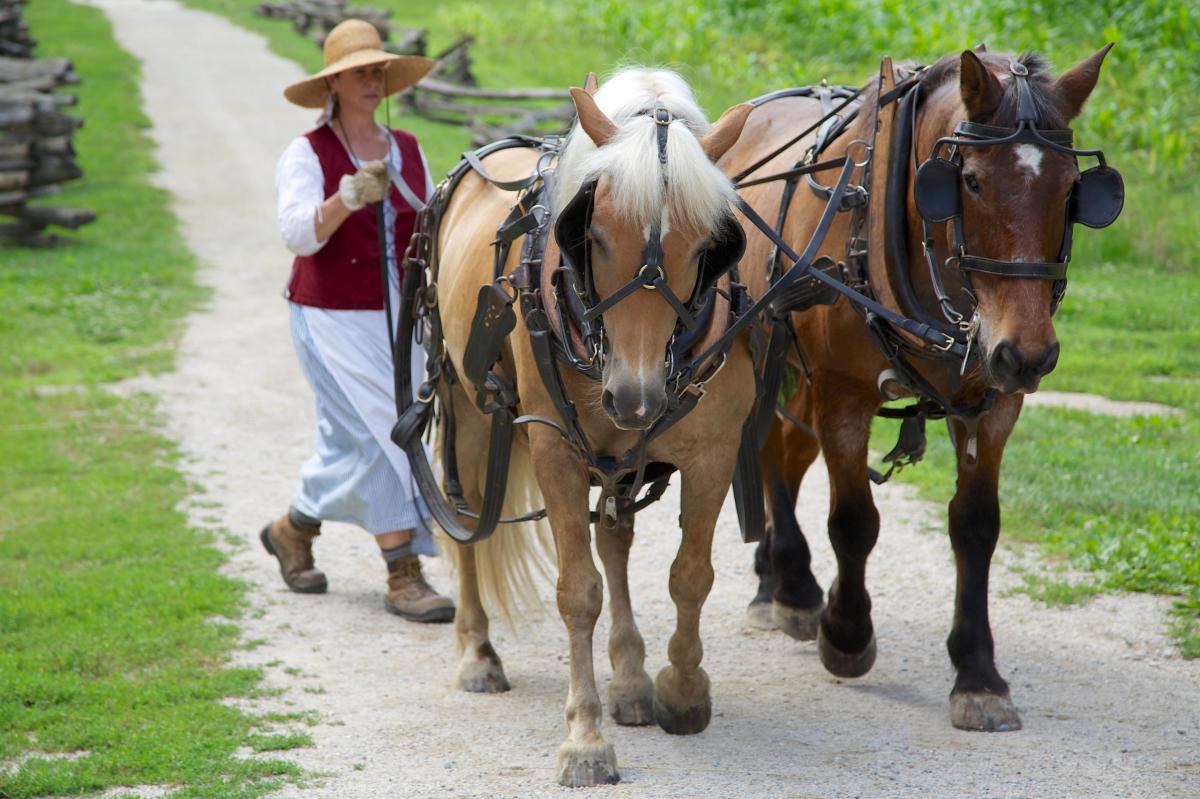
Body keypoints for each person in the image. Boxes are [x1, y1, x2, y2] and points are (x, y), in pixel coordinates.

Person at [263, 18, 454, 623]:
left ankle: (293, 527)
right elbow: (297, 234)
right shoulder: (308, 153)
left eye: (379, 70)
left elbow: (430, 226)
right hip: (329, 316)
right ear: (335, 84)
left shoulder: (409, 150)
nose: (372, 80)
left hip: (399, 321)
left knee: (356, 439)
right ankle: (404, 573)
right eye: (360, 72)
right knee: (380, 434)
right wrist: (343, 200)